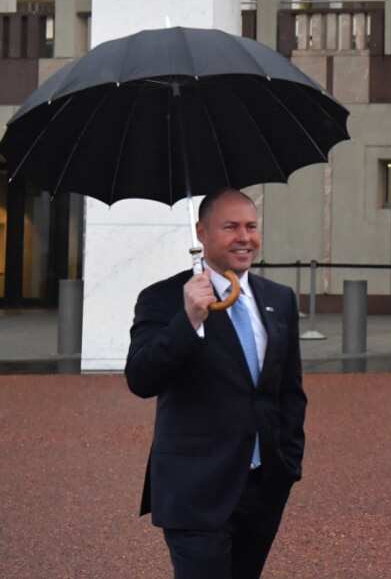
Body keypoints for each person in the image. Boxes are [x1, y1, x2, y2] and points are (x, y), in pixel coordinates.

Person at [125, 189, 306, 579]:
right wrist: (188, 319)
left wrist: (288, 463)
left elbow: (289, 389)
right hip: (194, 488)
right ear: (201, 233)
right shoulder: (163, 298)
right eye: (231, 227)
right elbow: (141, 377)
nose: (245, 237)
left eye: (251, 226)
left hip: (263, 486)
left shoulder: (279, 298)